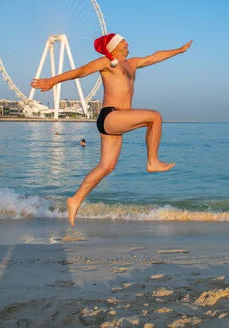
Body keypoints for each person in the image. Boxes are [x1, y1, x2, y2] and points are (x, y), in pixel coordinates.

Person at [31, 33, 192, 225]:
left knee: (106, 167)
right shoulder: (107, 62)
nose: (128, 42)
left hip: (119, 121)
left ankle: (74, 200)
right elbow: (81, 71)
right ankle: (152, 161)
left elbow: (155, 56)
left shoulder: (132, 64)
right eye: (124, 41)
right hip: (110, 116)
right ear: (114, 46)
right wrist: (52, 81)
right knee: (154, 117)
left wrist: (179, 51)